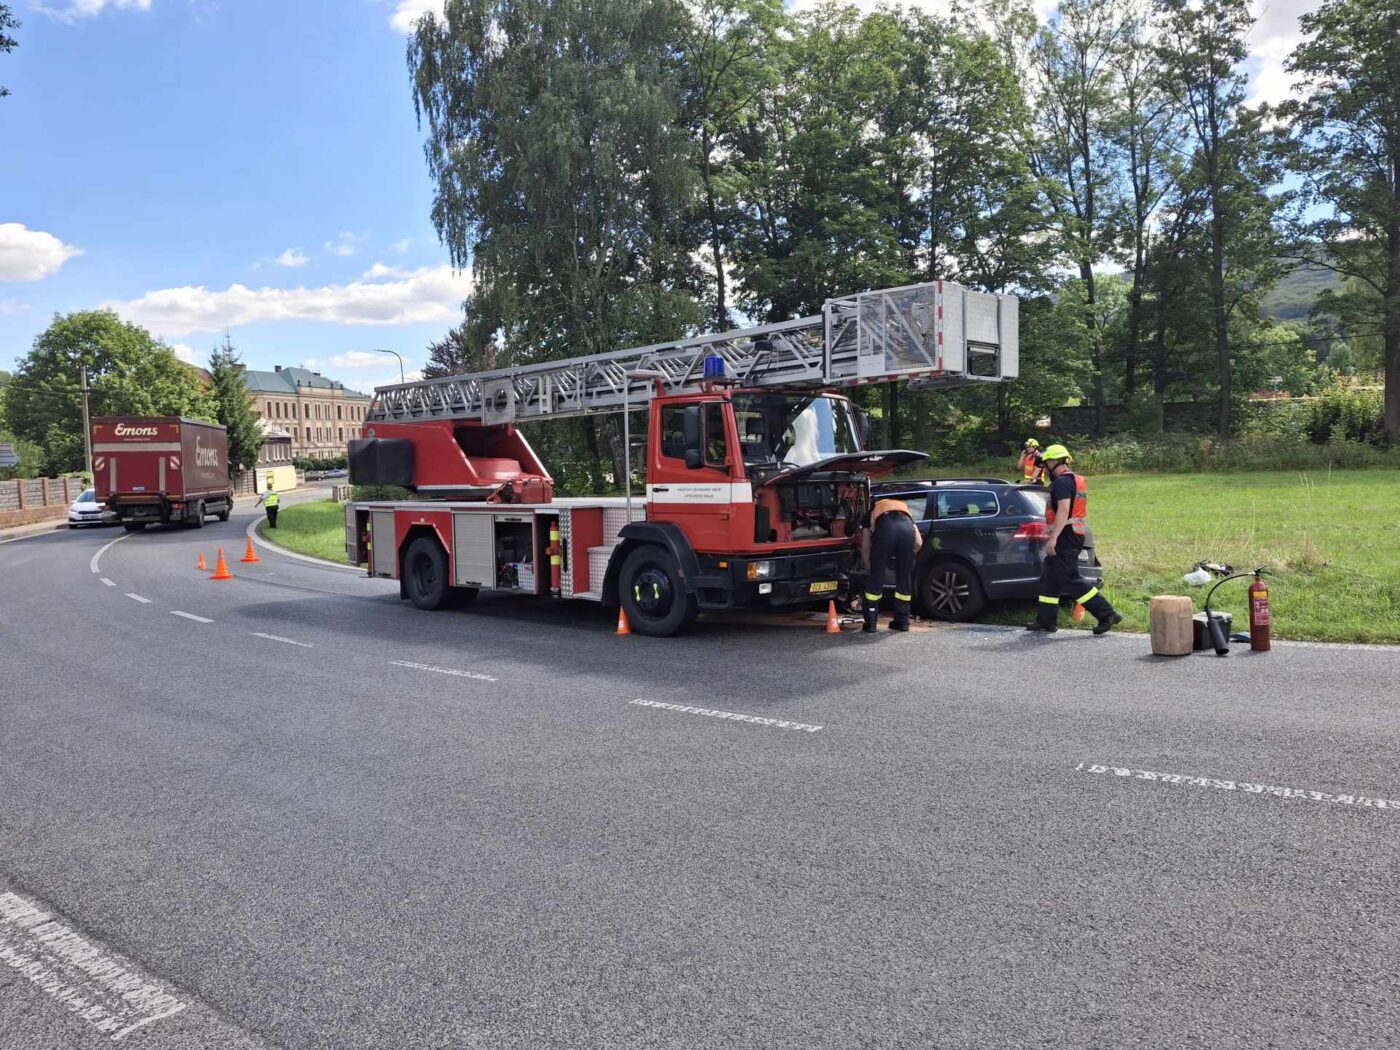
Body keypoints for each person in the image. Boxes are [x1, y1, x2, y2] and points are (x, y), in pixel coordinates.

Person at [1026, 444, 1122, 635]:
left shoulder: (1062, 482)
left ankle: (1107, 614)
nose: (1045, 467)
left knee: (1070, 579)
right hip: (1071, 533)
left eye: (1046, 463)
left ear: (1055, 461)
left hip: (1066, 536)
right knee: (1049, 578)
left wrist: (1053, 538)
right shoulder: (1074, 480)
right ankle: (1046, 620)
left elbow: (1063, 510)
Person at [860, 498, 923, 633]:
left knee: (876, 578)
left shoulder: (873, 509)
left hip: (885, 530)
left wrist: (868, 566)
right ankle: (902, 622)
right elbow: (919, 543)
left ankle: (871, 623)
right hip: (907, 533)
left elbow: (865, 546)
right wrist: (905, 558)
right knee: (904, 580)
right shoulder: (905, 510)